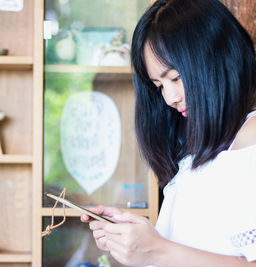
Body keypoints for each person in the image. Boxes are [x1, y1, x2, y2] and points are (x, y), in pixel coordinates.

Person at [81, 0, 256, 266]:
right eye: (158, 85)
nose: (169, 97)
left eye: (175, 78)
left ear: (217, 58)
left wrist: (157, 249)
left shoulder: (250, 139)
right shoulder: (204, 145)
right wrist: (141, 239)